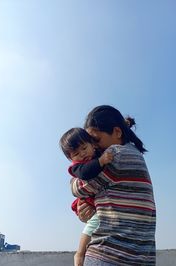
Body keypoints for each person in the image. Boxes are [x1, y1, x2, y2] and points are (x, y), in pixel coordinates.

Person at [71, 105, 156, 266]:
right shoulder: (134, 154)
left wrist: (73, 182)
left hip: (109, 255)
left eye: (95, 140)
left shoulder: (114, 155)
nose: (93, 147)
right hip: (142, 258)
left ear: (117, 132)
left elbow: (80, 188)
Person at [59, 127, 113, 266]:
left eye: (84, 148)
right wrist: (101, 161)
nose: (82, 154)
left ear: (92, 144)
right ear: (71, 158)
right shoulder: (77, 167)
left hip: (96, 202)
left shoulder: (97, 153)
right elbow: (85, 173)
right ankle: (80, 254)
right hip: (88, 202)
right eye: (76, 153)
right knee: (94, 223)